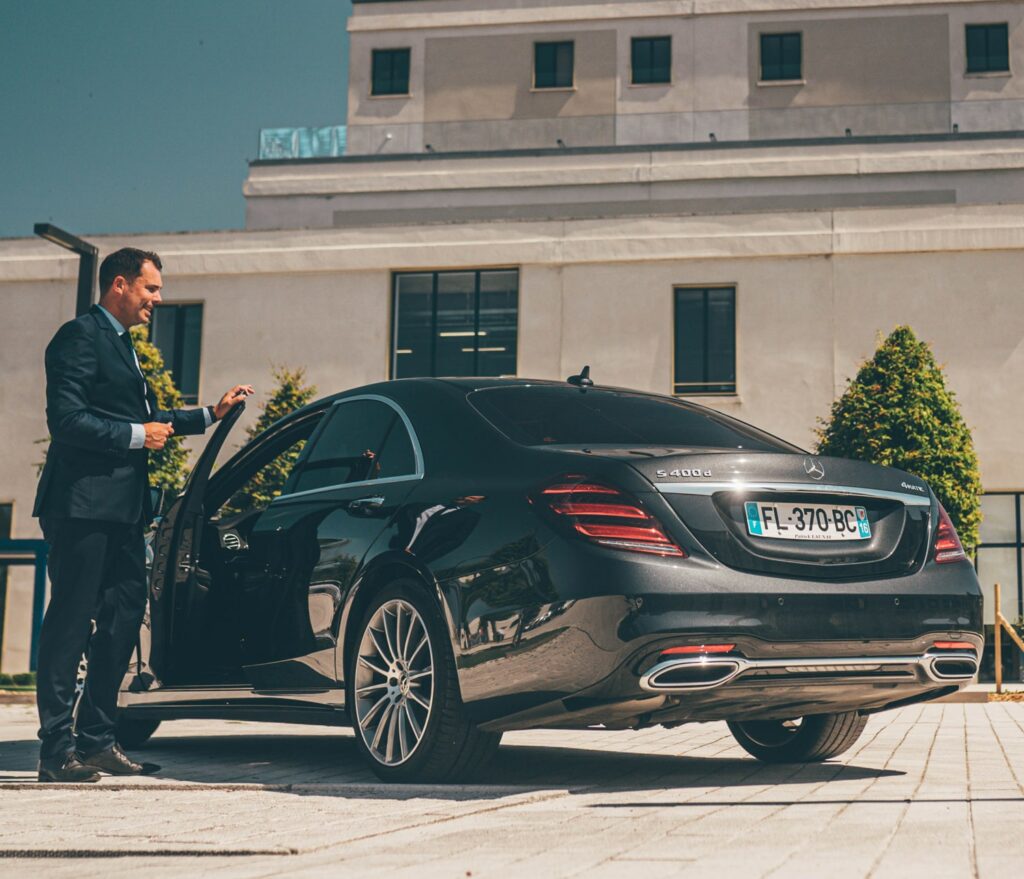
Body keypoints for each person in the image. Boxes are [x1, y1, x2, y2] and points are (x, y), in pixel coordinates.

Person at [32, 247, 253, 783]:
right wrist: (136, 436)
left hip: (125, 511)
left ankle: (98, 740)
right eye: (150, 288)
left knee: (124, 618)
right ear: (120, 285)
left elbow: (150, 418)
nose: (158, 298)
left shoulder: (125, 346)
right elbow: (67, 421)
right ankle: (55, 751)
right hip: (82, 506)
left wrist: (210, 414)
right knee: (70, 622)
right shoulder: (79, 336)